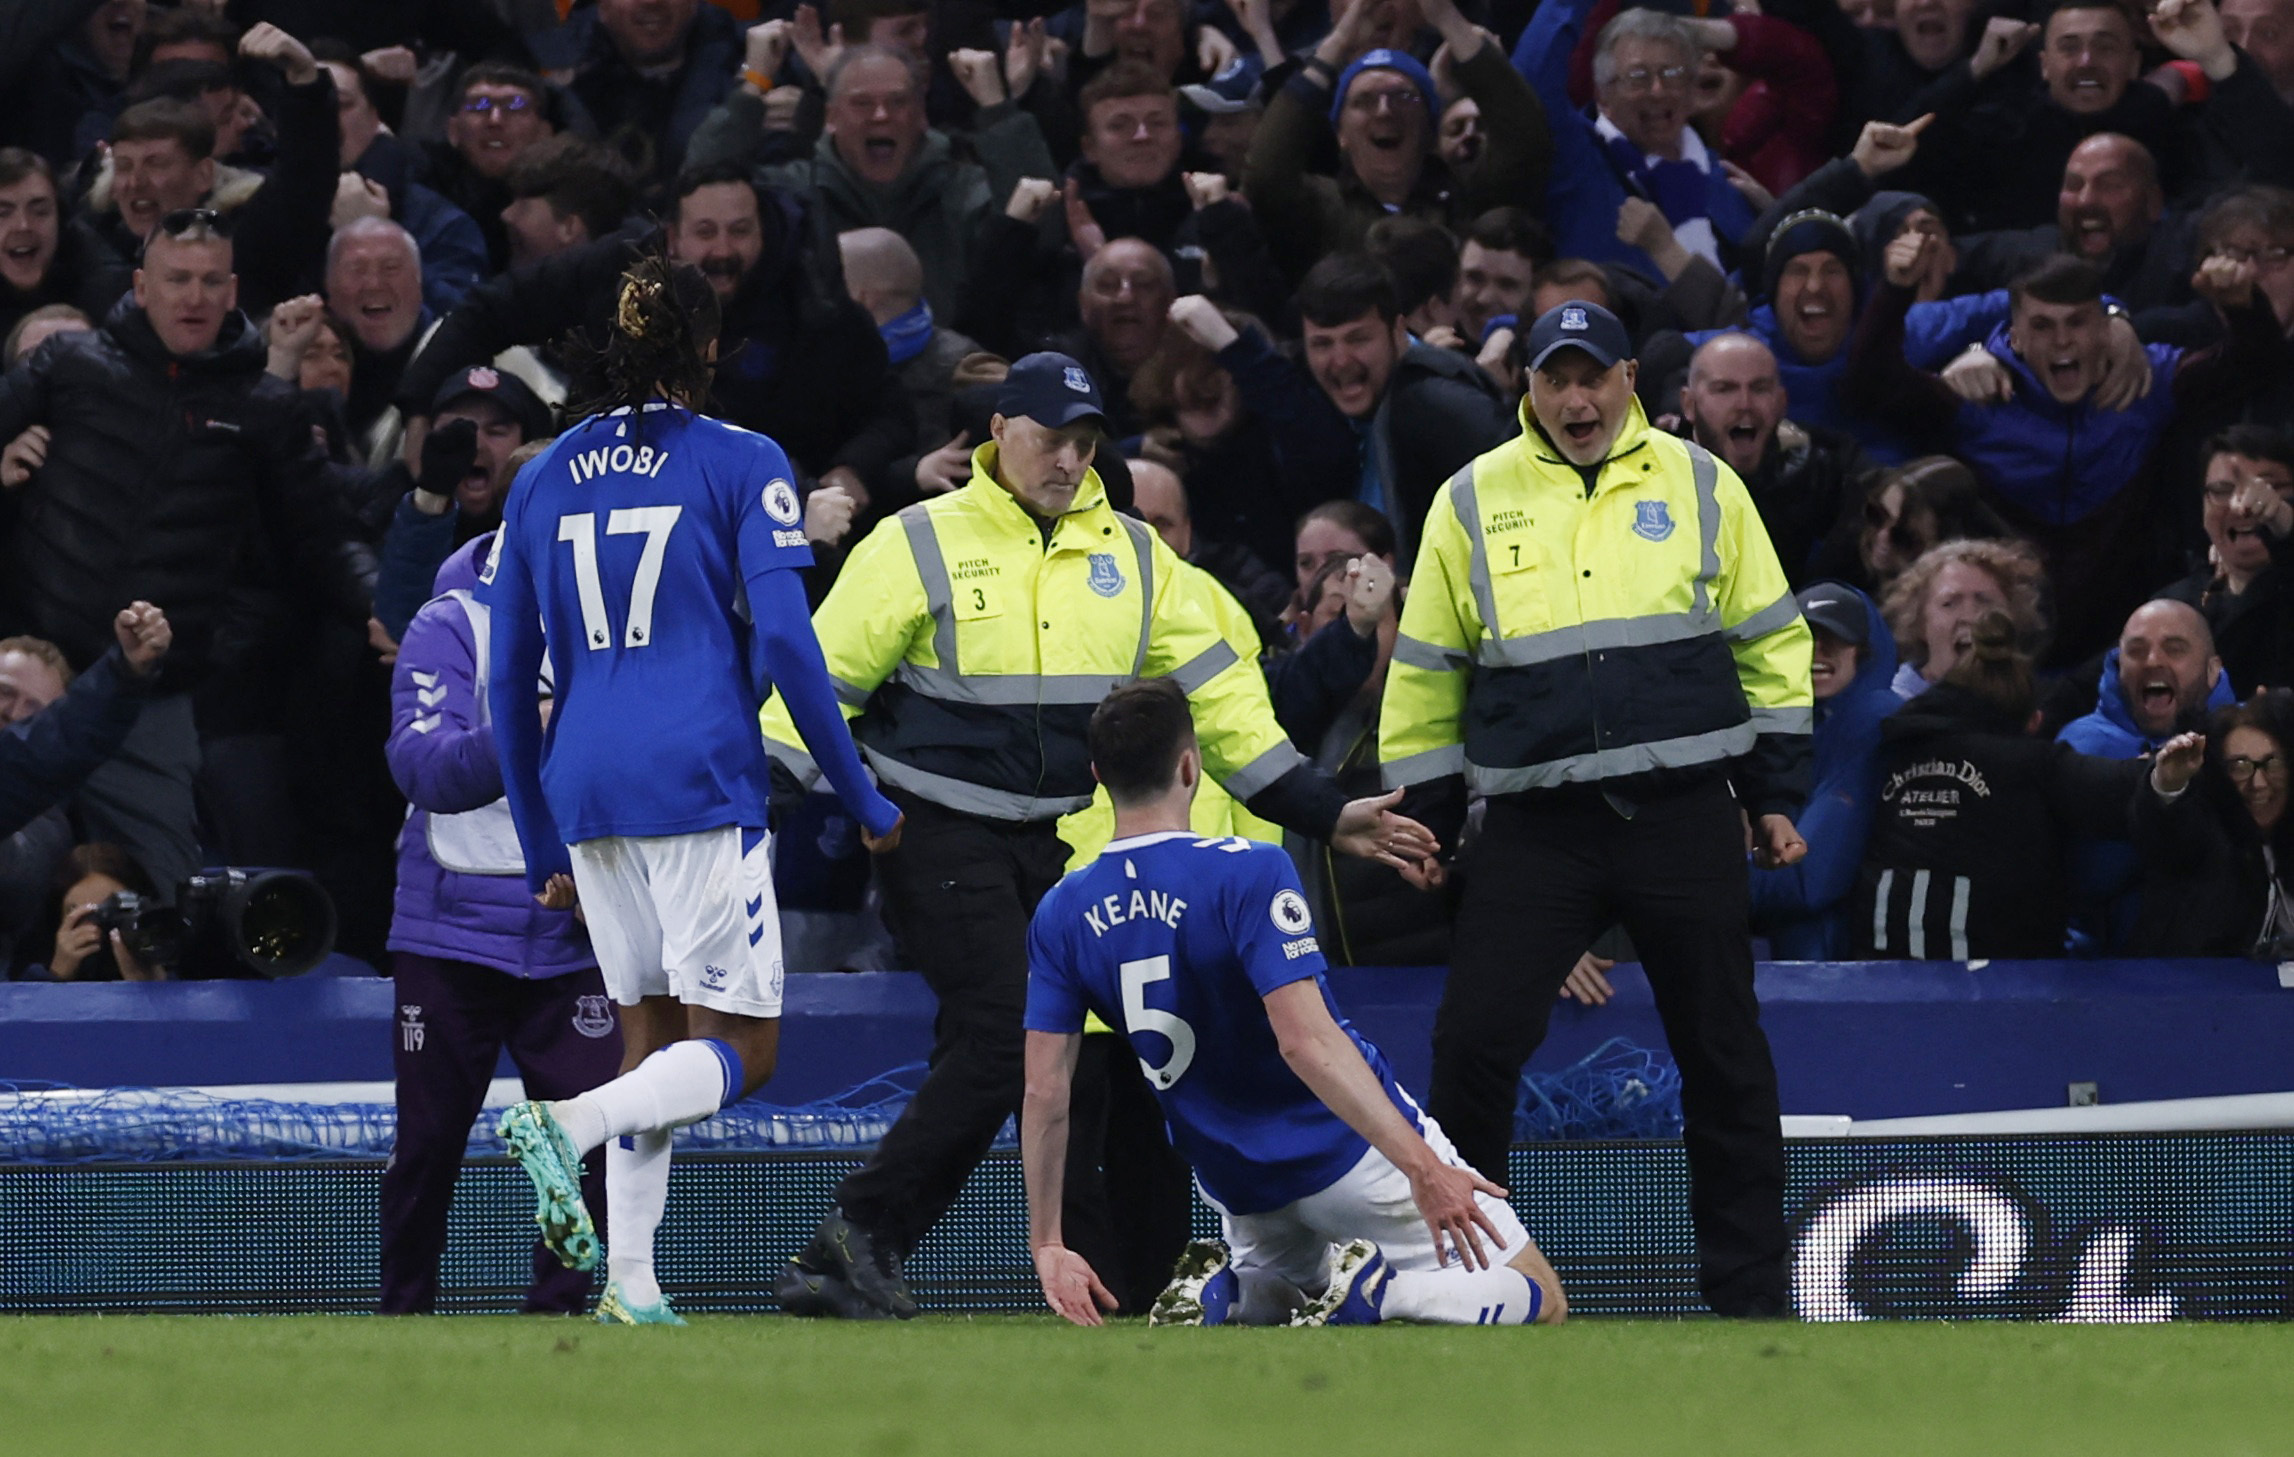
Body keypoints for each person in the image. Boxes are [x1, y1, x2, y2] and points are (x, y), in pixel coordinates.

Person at [760, 351, 1438, 1320]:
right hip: (932, 829)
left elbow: (1225, 706)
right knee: (1009, 1037)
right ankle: (856, 1237)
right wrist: (759, 808)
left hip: (1048, 840)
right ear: (999, 432)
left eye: (1084, 443)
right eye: (1050, 439)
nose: (1069, 460)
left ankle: (925, 1256)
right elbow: (815, 689)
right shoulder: (915, 541)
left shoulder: (1136, 559)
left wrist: (1326, 810)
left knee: (1018, 1051)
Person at [483, 252, 904, 1326]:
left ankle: (629, 1283)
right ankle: (568, 1122)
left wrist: (538, 842)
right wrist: (861, 796)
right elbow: (790, 646)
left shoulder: (540, 474)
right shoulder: (743, 459)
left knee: (653, 1043)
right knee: (745, 1051)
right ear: (712, 347)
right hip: (695, 776)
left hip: (586, 780)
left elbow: (505, 680)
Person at [1380, 301, 1813, 1317]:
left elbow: (1770, 642)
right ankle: (1474, 1282)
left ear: (1629, 380)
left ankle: (1751, 1292)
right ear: (1526, 386)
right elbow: (1427, 672)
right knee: (1472, 1046)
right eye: (1554, 378)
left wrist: (1774, 794)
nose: (1575, 399)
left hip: (1682, 811)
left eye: (1592, 377)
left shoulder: (1702, 483)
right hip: (1538, 828)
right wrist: (1428, 821)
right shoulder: (1470, 498)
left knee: (1724, 1054)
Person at [1022, 679, 1566, 1329]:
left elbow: (1044, 1089)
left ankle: (1236, 1291)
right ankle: (1382, 1294)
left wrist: (1048, 1242)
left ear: (1097, 777)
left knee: (1296, 1287)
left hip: (1234, 1178)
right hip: (1341, 1150)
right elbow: (1305, 1041)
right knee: (1541, 1293)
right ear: (1190, 766)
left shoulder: (1061, 910)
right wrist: (1424, 1167)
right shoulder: (1249, 869)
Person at [0, 213, 358, 898]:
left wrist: (387, 611)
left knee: (170, 898)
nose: (194, 297)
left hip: (150, 694)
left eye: (210, 281)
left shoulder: (264, 408)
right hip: (31, 673)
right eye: (177, 279)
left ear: (232, 291)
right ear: (141, 285)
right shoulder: (68, 364)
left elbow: (323, 538)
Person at [378, 533, 621, 1318]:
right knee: (427, 1146)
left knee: (592, 1143)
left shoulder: (625, 620)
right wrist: (533, 723)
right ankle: (403, 1317)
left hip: (579, 931)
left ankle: (559, 1323)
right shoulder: (450, 622)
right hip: (450, 932)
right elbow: (423, 767)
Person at [1855, 611, 2148, 959]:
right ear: (2034, 721)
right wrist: (2161, 767)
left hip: (1876, 968)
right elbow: (2117, 788)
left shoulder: (1891, 750)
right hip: (1998, 976)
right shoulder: (2034, 763)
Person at [1245, 0, 1549, 286]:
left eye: (1403, 96)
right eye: (1364, 100)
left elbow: (1525, 141)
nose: (1384, 110)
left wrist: (1447, 18)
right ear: (1341, 135)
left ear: (1430, 127)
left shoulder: (1466, 198)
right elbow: (1265, 174)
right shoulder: (1319, 206)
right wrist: (1337, 42)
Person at [1747, 582, 1900, 958]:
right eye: (1804, 635)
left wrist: (1690, 884)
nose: (1818, 649)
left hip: (1843, 965)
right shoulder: (1800, 726)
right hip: (1808, 958)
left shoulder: (1872, 721)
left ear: (1864, 650)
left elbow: (1808, 878)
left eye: (1836, 637)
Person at [2135, 693, 2294, 953]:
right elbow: (2170, 831)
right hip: (2196, 976)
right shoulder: (2207, 835)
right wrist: (2169, 784)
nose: (2258, 783)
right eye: (2240, 766)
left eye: (2273, 763)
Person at [0, 605, 169, 842]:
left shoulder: (43, 827)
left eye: (36, 712)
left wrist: (123, 671)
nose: (13, 713)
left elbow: (63, 737)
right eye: (4, 692)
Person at [2159, 425, 2294, 696]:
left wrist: (2285, 527)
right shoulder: (2177, 603)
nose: (2242, 506)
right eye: (2222, 490)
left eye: (2267, 488)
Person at [1879, 537, 2050, 700]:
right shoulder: (1892, 711)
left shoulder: (2032, 705)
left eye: (1985, 601)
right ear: (1920, 623)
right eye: (1949, 604)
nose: (1970, 617)